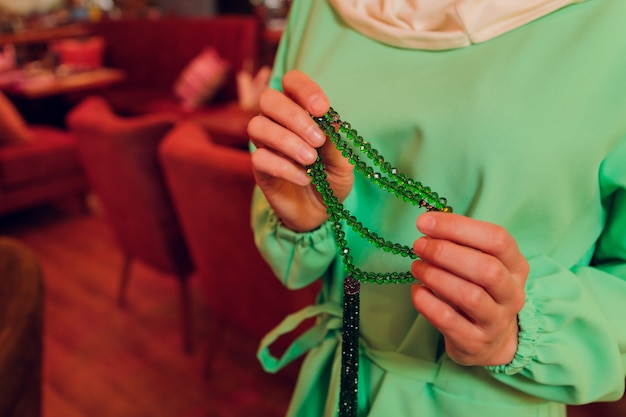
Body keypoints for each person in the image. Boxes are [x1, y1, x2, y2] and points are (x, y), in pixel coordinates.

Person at [246, 1, 626, 416]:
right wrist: (306, 217)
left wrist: (517, 329)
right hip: (338, 385)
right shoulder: (317, 8)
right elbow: (290, 232)